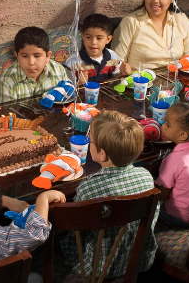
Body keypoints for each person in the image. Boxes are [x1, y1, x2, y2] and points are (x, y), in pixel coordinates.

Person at [61, 110, 158, 279]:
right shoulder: (146, 177)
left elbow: (77, 231)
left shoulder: (88, 188)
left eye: (90, 141)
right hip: (136, 261)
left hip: (96, 266)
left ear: (102, 153)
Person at [110, 0, 189, 69]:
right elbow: (116, 63)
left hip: (175, 82)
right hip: (139, 82)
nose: (155, 0)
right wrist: (123, 70)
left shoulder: (181, 20)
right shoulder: (130, 22)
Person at [0, 26, 70, 103]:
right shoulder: (6, 82)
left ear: (47, 56)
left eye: (37, 56)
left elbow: (66, 98)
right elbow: (9, 114)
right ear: (17, 56)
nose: (31, 62)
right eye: (24, 56)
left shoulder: (59, 71)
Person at [64, 13, 132, 83]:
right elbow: (64, 88)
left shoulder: (113, 57)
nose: (93, 42)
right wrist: (79, 84)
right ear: (83, 36)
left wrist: (124, 73)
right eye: (88, 37)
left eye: (99, 38)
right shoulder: (72, 63)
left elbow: (116, 80)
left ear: (108, 39)